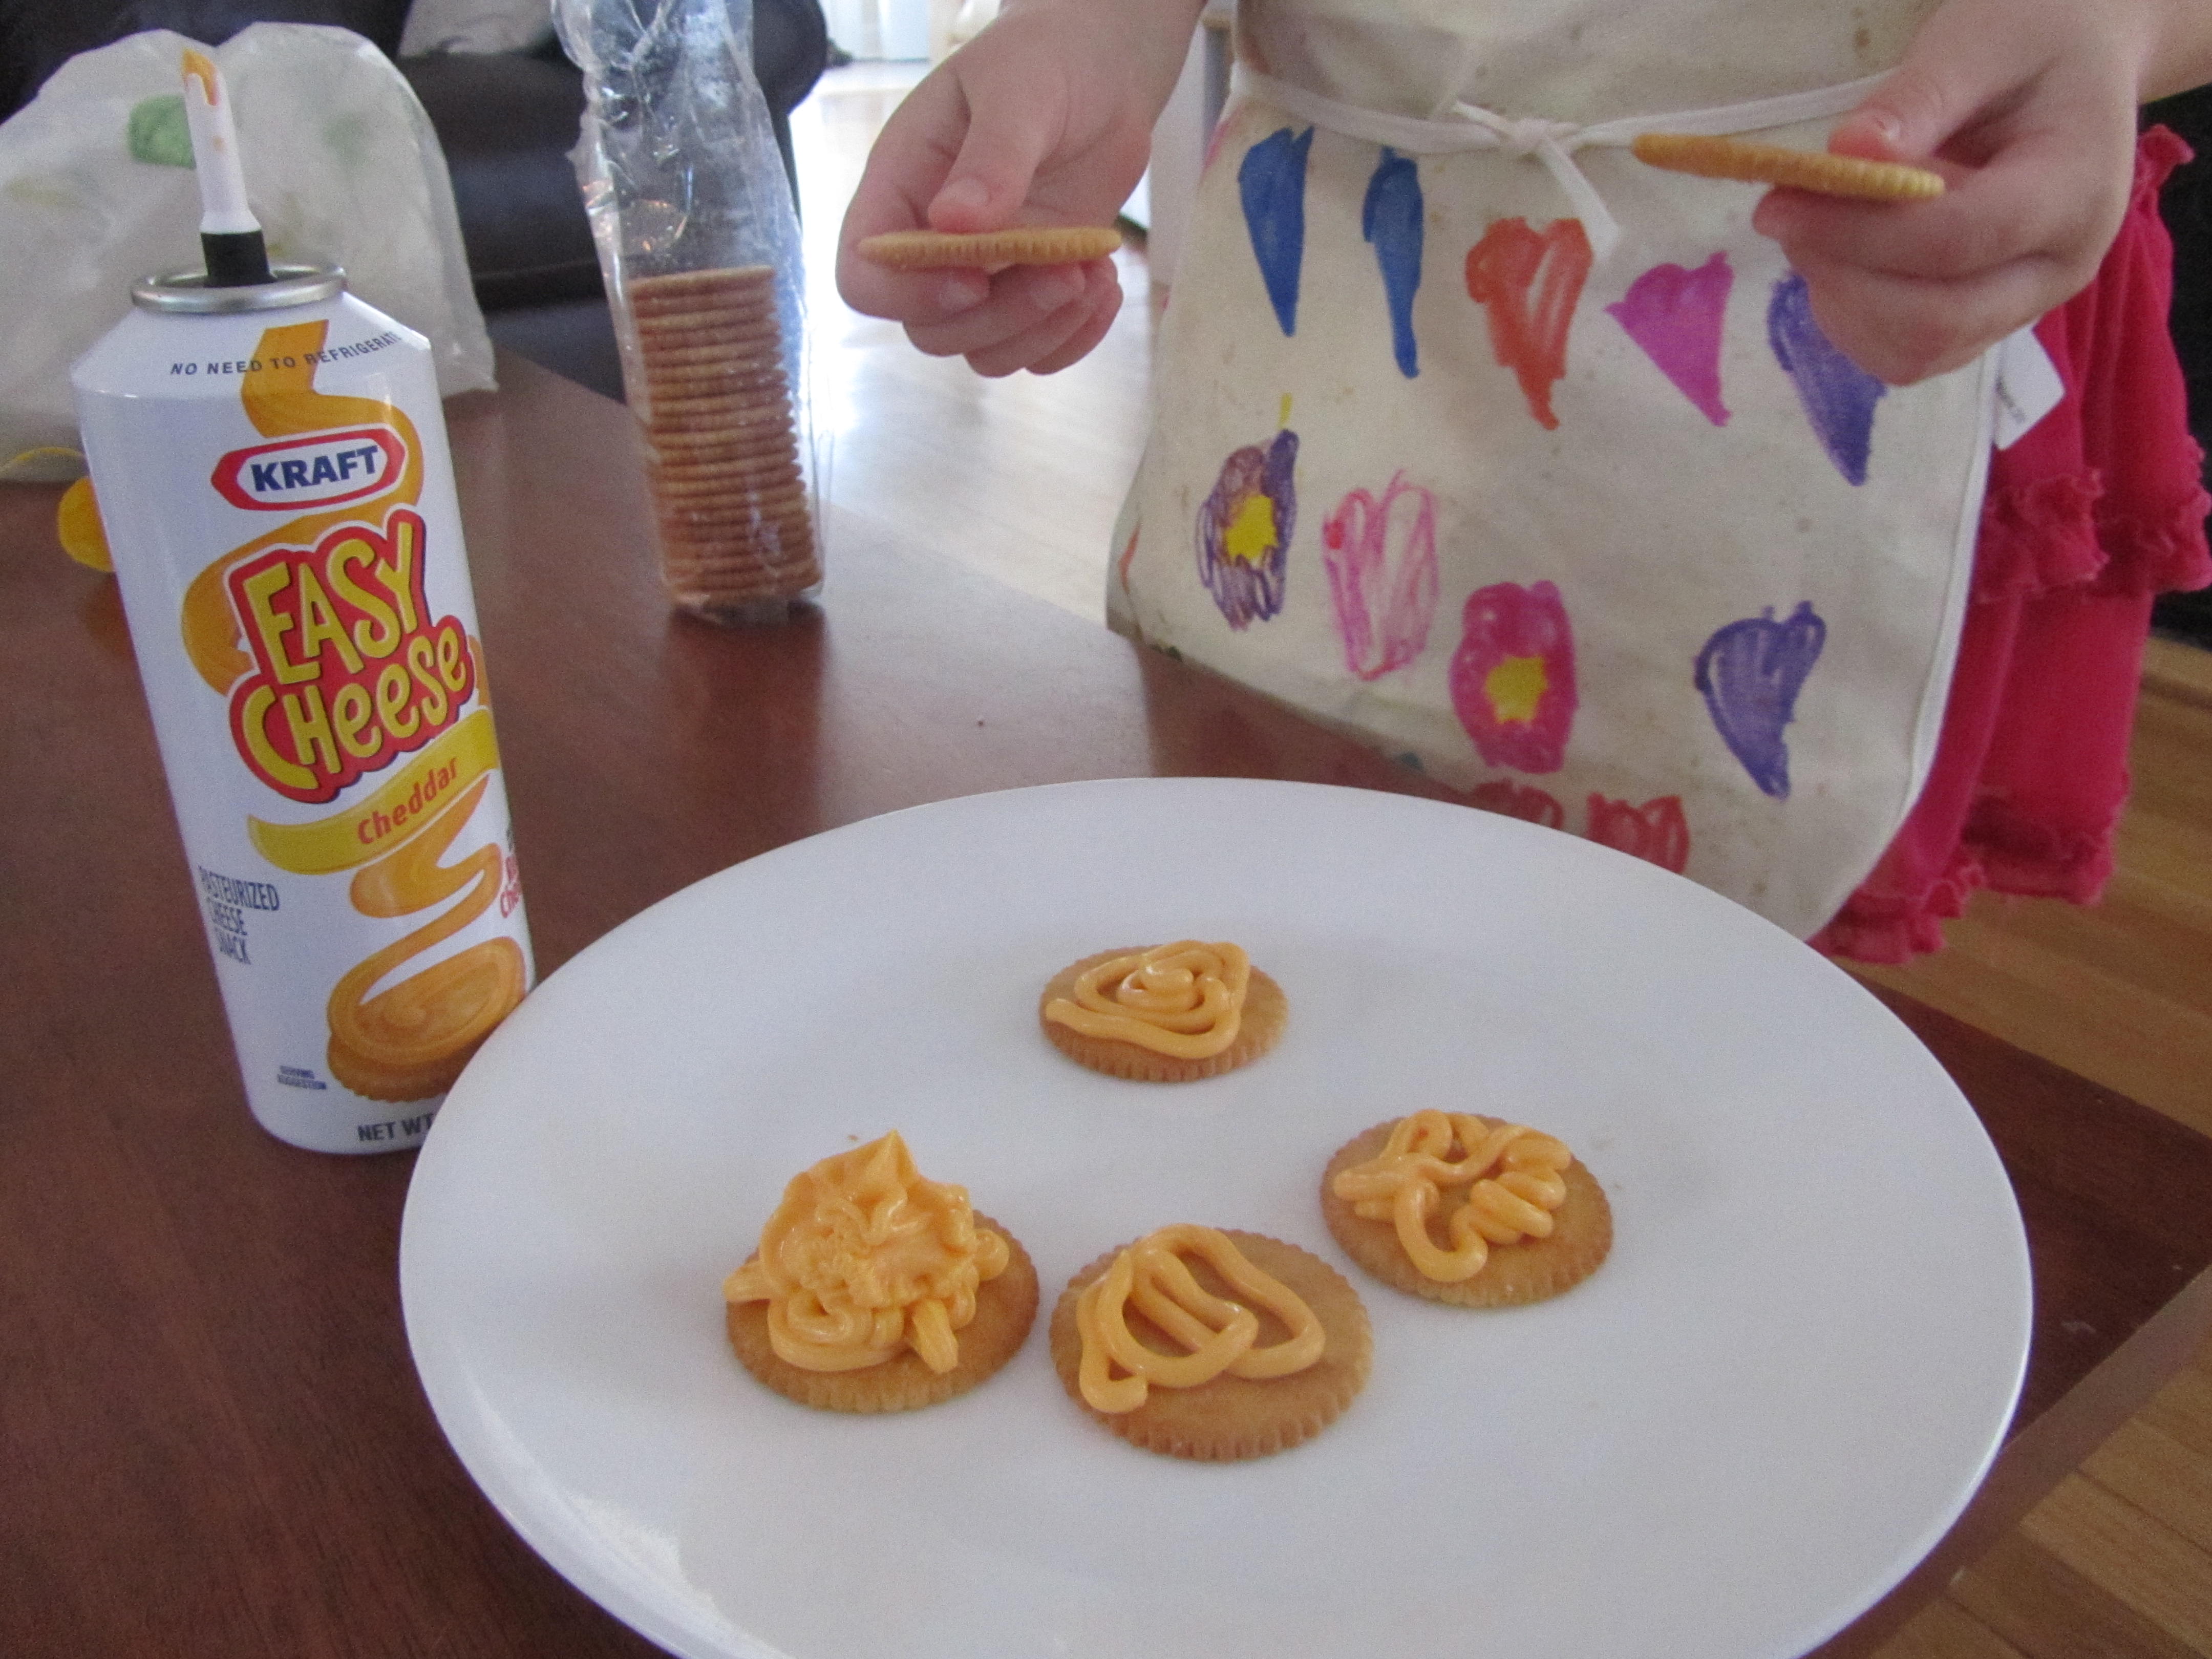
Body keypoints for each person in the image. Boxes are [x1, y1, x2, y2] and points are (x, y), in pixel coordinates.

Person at [836, 0, 2212, 954]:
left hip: (1832, 290)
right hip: (1331, 268)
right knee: (1270, 893)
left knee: (1692, 1003)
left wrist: (2112, 21)